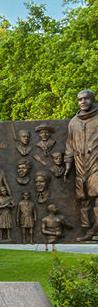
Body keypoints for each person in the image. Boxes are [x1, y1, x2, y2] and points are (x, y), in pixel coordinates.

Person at [65, 89, 98, 241]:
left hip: (95, 164)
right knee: (84, 201)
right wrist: (67, 165)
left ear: (92, 99)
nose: (82, 102)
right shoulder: (73, 122)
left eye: (86, 98)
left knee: (97, 198)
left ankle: (97, 230)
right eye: (79, 99)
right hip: (80, 166)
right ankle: (88, 231)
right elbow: (69, 146)